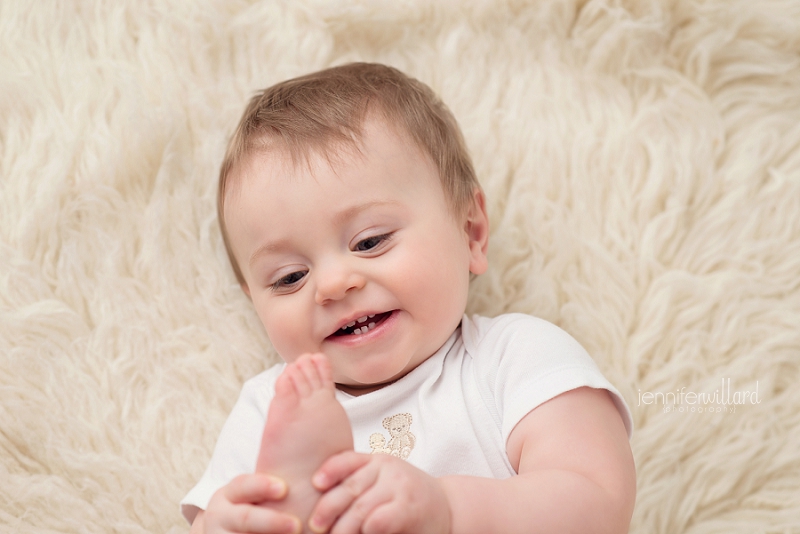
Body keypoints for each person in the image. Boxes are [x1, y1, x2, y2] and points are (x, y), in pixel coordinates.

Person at [181, 62, 636, 534]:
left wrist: (450, 509)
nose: (334, 284)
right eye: (289, 277)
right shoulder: (266, 409)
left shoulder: (513, 359)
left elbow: (599, 502)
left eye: (370, 241)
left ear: (470, 232)